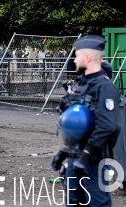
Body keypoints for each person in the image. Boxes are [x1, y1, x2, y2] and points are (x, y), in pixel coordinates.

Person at [50, 35, 121, 206]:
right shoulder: (79, 85)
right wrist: (62, 153)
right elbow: (72, 125)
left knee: (96, 203)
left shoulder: (105, 87)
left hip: (94, 161)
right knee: (73, 202)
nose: (74, 60)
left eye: (77, 56)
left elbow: (107, 126)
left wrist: (86, 156)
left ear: (87, 57)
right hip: (74, 159)